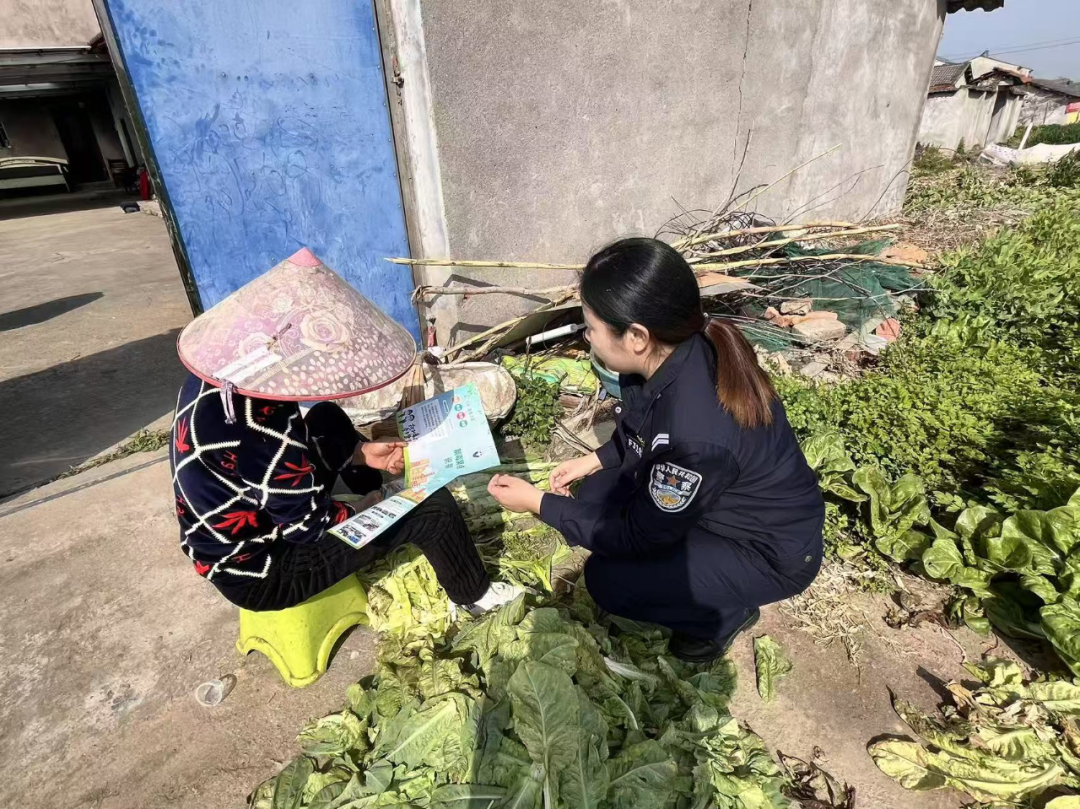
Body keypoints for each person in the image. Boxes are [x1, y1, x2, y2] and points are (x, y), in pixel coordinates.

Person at [488, 237, 824, 663]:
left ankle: (722, 617)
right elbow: (643, 429)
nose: (587, 338)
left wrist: (537, 503)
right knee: (596, 492)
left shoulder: (696, 436)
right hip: (721, 508)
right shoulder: (671, 354)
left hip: (764, 552)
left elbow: (636, 535)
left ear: (636, 336)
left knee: (609, 580)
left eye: (590, 328)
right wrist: (593, 460)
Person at [170, 247, 518, 615]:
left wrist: (361, 453)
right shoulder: (264, 430)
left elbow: (270, 462)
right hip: (265, 571)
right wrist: (371, 506)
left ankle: (367, 483)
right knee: (433, 508)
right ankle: (475, 596)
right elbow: (307, 528)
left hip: (233, 530)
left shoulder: (213, 378)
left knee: (325, 417)